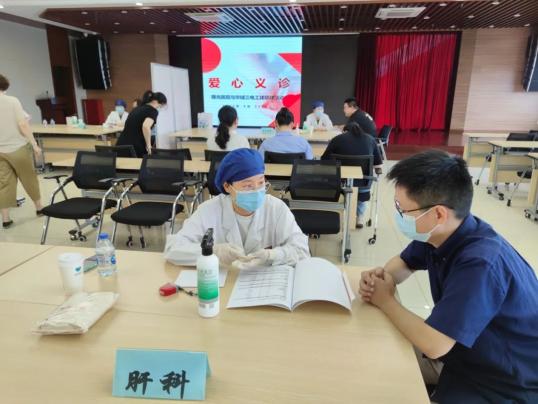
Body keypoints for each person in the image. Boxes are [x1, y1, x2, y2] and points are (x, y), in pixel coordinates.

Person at [359, 150, 538, 403]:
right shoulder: (443, 232)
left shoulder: (480, 263)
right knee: (370, 357)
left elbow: (435, 345)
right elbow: (405, 263)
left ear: (438, 214)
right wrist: (382, 276)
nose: (399, 216)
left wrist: (386, 300)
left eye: (403, 210)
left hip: (504, 379)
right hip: (463, 350)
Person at [164, 148, 310, 268]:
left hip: (264, 283)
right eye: (247, 186)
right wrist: (214, 252)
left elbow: (302, 251)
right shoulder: (209, 210)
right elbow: (173, 249)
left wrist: (272, 255)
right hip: (224, 283)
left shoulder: (276, 208)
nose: (256, 191)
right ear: (227, 186)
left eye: (261, 183)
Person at [0, 74, 43, 228]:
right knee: (29, 178)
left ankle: (6, 219)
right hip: (17, 148)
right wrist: (34, 144)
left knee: (4, 183)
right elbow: (23, 124)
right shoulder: (12, 101)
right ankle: (39, 208)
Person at [321, 122, 382, 228]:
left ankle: (337, 214)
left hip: (339, 182)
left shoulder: (337, 139)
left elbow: (324, 160)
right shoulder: (370, 139)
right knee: (361, 193)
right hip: (363, 182)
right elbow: (378, 164)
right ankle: (359, 218)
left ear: (345, 131)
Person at [116, 91, 166, 157]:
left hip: (121, 144)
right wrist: (149, 146)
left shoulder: (136, 109)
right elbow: (146, 126)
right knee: (139, 163)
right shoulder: (152, 111)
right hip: (134, 147)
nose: (160, 107)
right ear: (156, 101)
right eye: (161, 105)